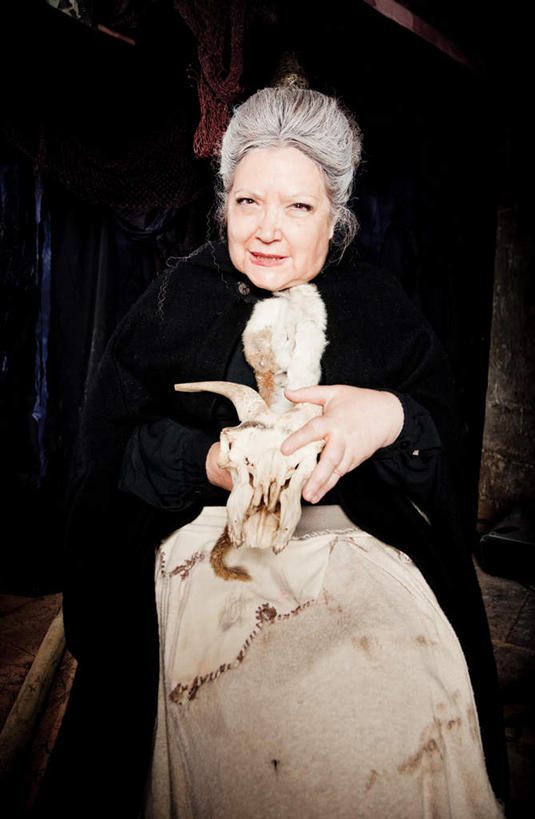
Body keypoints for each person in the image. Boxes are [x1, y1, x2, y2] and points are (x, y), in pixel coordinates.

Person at [48, 86, 507, 818]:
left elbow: (438, 444)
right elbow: (111, 452)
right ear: (224, 204)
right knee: (239, 725)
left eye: (298, 206)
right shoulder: (175, 301)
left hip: (356, 548)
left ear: (335, 216)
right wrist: (209, 461)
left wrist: (389, 417)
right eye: (248, 202)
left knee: (397, 701)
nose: (267, 230)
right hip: (205, 549)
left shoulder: (379, 308)